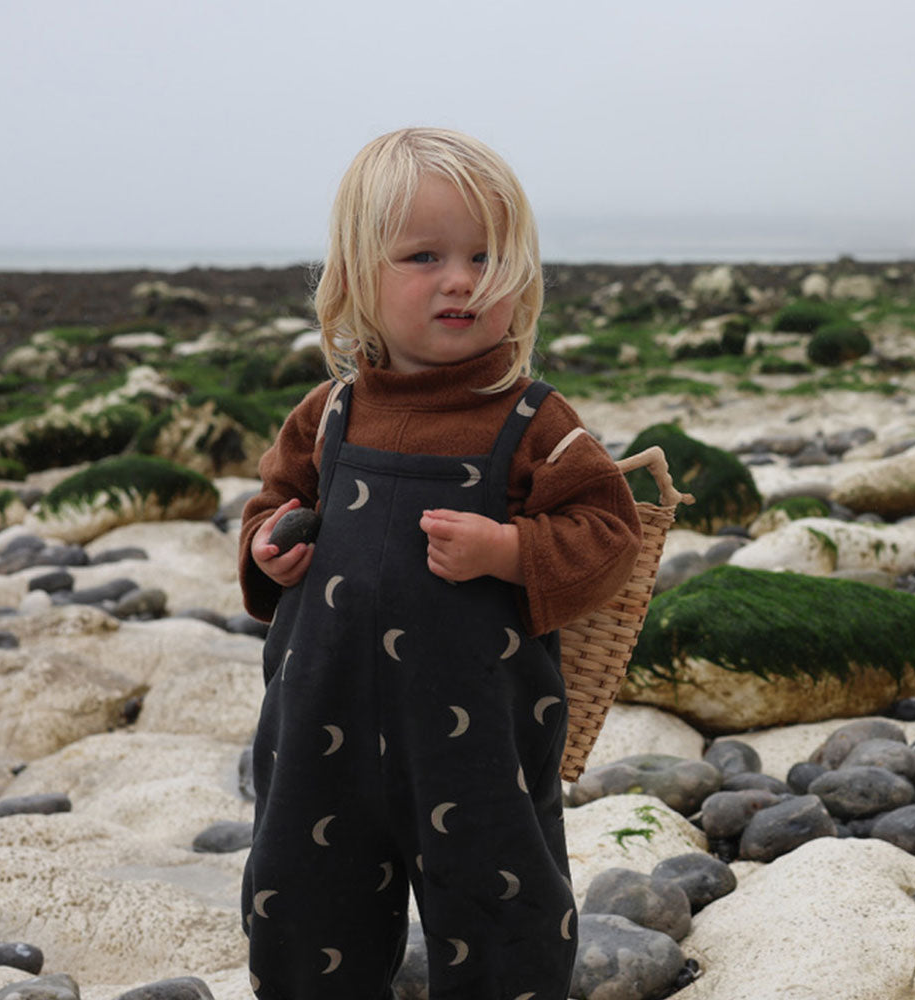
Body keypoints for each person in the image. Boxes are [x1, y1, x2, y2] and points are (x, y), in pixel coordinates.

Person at [237, 126, 641, 999]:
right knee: (303, 907)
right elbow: (271, 504)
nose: (462, 279)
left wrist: (511, 549)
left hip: (478, 741)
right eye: (424, 256)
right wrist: (269, 549)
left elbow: (609, 531)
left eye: (487, 257)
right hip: (319, 730)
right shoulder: (328, 413)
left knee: (504, 914)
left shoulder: (531, 419)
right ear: (356, 277)